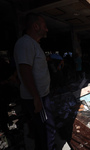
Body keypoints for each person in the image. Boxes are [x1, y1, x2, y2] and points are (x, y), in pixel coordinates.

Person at [14, 13, 55, 150]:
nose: (47, 29)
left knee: (41, 130)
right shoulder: (25, 43)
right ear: (36, 26)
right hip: (38, 97)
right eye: (44, 26)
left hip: (41, 96)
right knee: (48, 131)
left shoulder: (33, 44)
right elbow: (25, 70)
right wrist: (36, 97)